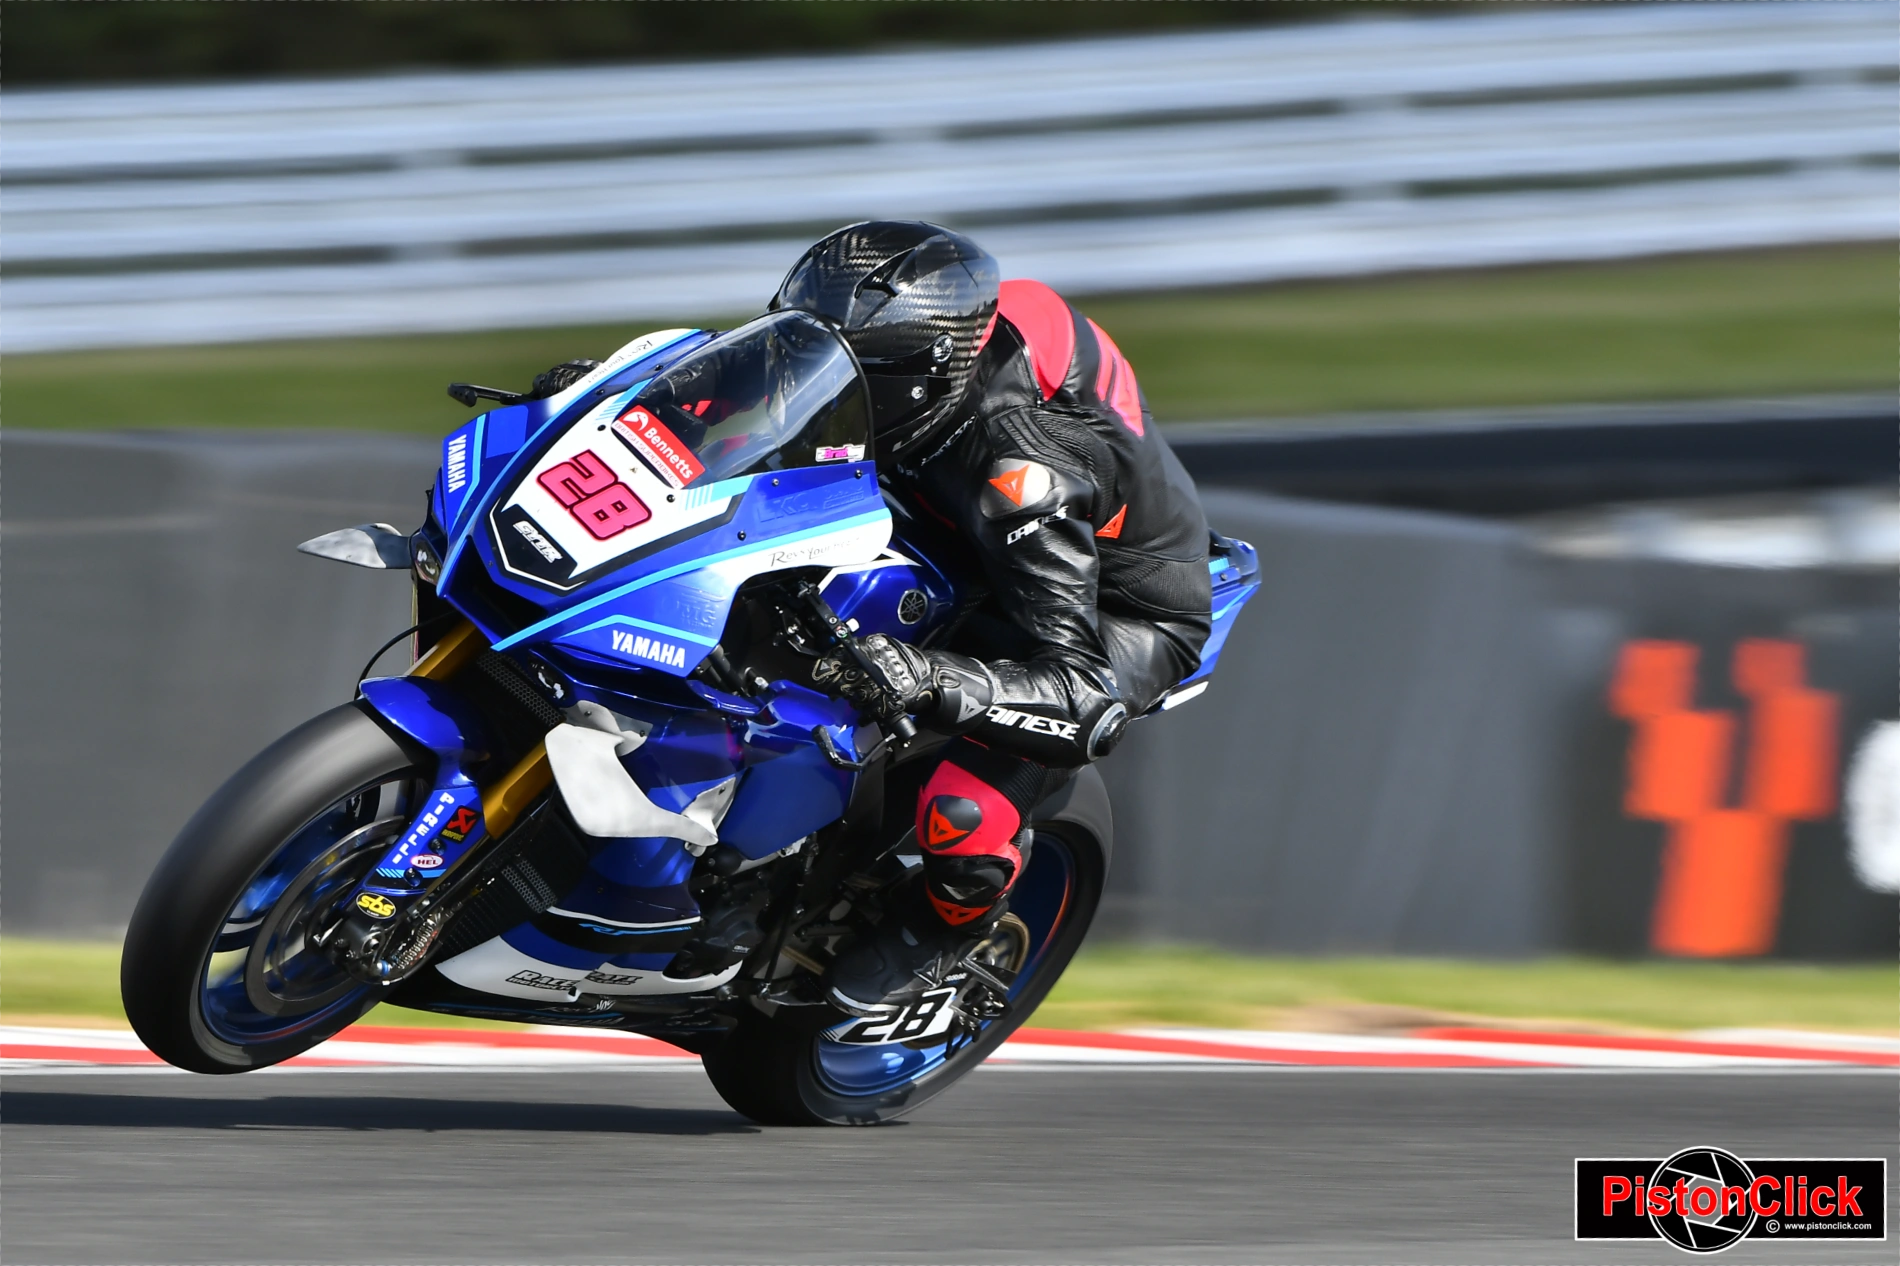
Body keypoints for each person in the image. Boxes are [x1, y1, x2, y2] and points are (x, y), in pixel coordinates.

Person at [773, 221, 1214, 1019]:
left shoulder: (1020, 472)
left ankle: (951, 930)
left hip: (1110, 612)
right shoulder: (917, 333)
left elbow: (1080, 692)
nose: (831, 390)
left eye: (857, 379)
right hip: (966, 537)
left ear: (921, 378)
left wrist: (930, 676)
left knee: (959, 813)